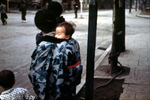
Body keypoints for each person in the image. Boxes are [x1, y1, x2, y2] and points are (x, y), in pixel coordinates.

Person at [28, 9, 82, 100]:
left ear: (38, 25)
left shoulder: (43, 46)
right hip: (68, 93)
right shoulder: (73, 42)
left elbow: (34, 75)